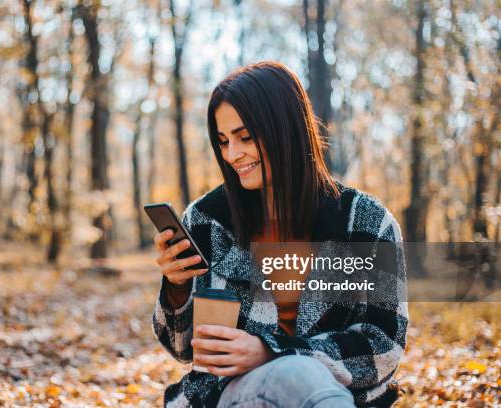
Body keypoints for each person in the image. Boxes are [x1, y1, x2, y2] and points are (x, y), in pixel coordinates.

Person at [152, 61, 408, 408]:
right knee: (297, 375)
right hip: (232, 396)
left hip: (338, 394)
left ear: (285, 129)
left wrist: (272, 353)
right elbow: (184, 350)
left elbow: (384, 345)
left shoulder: (365, 222)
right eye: (223, 140)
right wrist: (177, 287)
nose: (232, 154)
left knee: (302, 375)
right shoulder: (206, 220)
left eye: (245, 137)